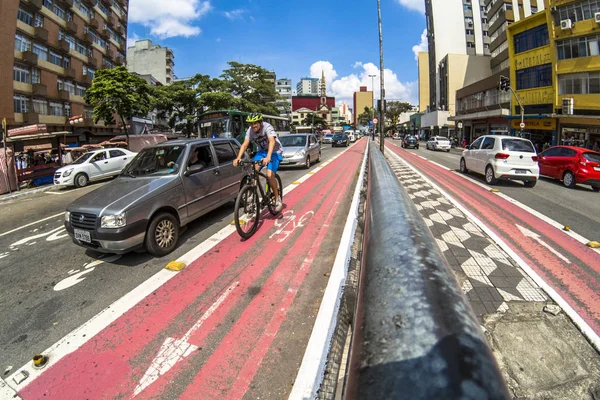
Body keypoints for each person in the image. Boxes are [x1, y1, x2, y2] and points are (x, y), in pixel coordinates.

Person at [233, 113, 284, 213]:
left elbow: (272, 142)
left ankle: (278, 199)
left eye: (255, 123)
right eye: (251, 124)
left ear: (260, 122)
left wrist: (268, 157)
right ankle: (251, 195)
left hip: (274, 151)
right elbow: (244, 144)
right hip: (262, 152)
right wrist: (238, 158)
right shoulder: (250, 131)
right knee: (252, 172)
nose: (253, 126)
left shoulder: (267, 127)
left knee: (269, 175)